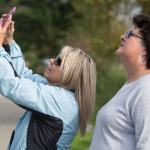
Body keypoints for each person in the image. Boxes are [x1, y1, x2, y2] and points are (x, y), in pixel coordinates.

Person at [0, 15, 96, 150]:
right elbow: (23, 76)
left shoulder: (61, 101)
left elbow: (12, 85)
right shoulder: (57, 93)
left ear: (70, 73)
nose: (51, 60)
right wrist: (9, 40)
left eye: (58, 61)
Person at [90, 14, 150, 150]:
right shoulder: (131, 86)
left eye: (130, 34)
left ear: (145, 50)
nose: (123, 36)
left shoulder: (146, 89)